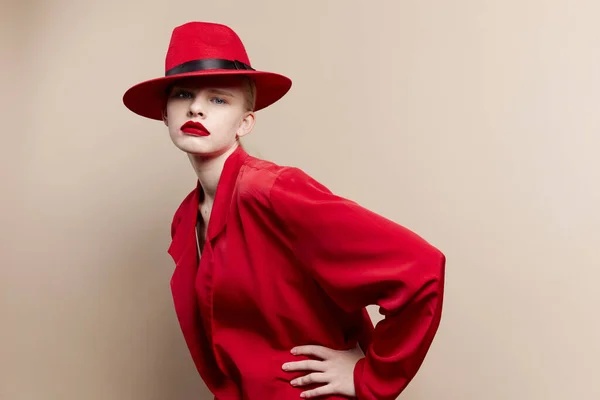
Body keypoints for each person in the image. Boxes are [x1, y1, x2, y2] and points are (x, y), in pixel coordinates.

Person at [123, 21, 445, 400]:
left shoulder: (271, 191)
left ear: (245, 122)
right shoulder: (185, 218)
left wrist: (368, 376)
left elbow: (420, 268)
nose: (195, 107)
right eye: (183, 94)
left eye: (218, 99)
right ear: (164, 113)